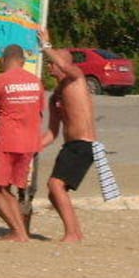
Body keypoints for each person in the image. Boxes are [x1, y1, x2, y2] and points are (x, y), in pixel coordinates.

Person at [0, 42, 44, 242]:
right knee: (6, 189)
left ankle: (18, 231)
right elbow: (39, 111)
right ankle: (18, 231)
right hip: (29, 144)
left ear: (4, 60)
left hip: (5, 142)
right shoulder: (36, 82)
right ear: (22, 61)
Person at [38, 28, 97, 242]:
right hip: (70, 145)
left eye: (52, 62)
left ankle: (73, 234)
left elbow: (64, 65)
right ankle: (75, 231)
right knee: (53, 192)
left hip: (84, 144)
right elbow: (52, 132)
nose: (49, 66)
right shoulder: (56, 96)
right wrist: (33, 146)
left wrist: (46, 46)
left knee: (55, 185)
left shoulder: (77, 78)